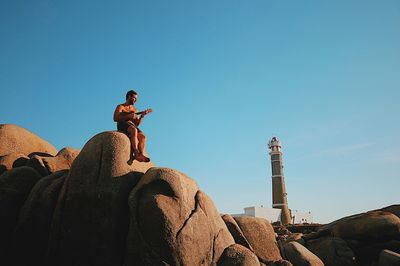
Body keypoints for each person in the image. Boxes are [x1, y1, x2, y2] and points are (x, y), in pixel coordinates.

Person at [113, 90, 151, 162]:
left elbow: (137, 124)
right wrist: (128, 115)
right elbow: (115, 118)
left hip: (131, 125)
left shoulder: (135, 110)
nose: (135, 100)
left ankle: (141, 155)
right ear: (129, 97)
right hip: (122, 124)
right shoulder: (121, 106)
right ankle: (136, 153)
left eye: (136, 99)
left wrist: (142, 116)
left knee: (143, 136)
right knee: (134, 130)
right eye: (134, 98)